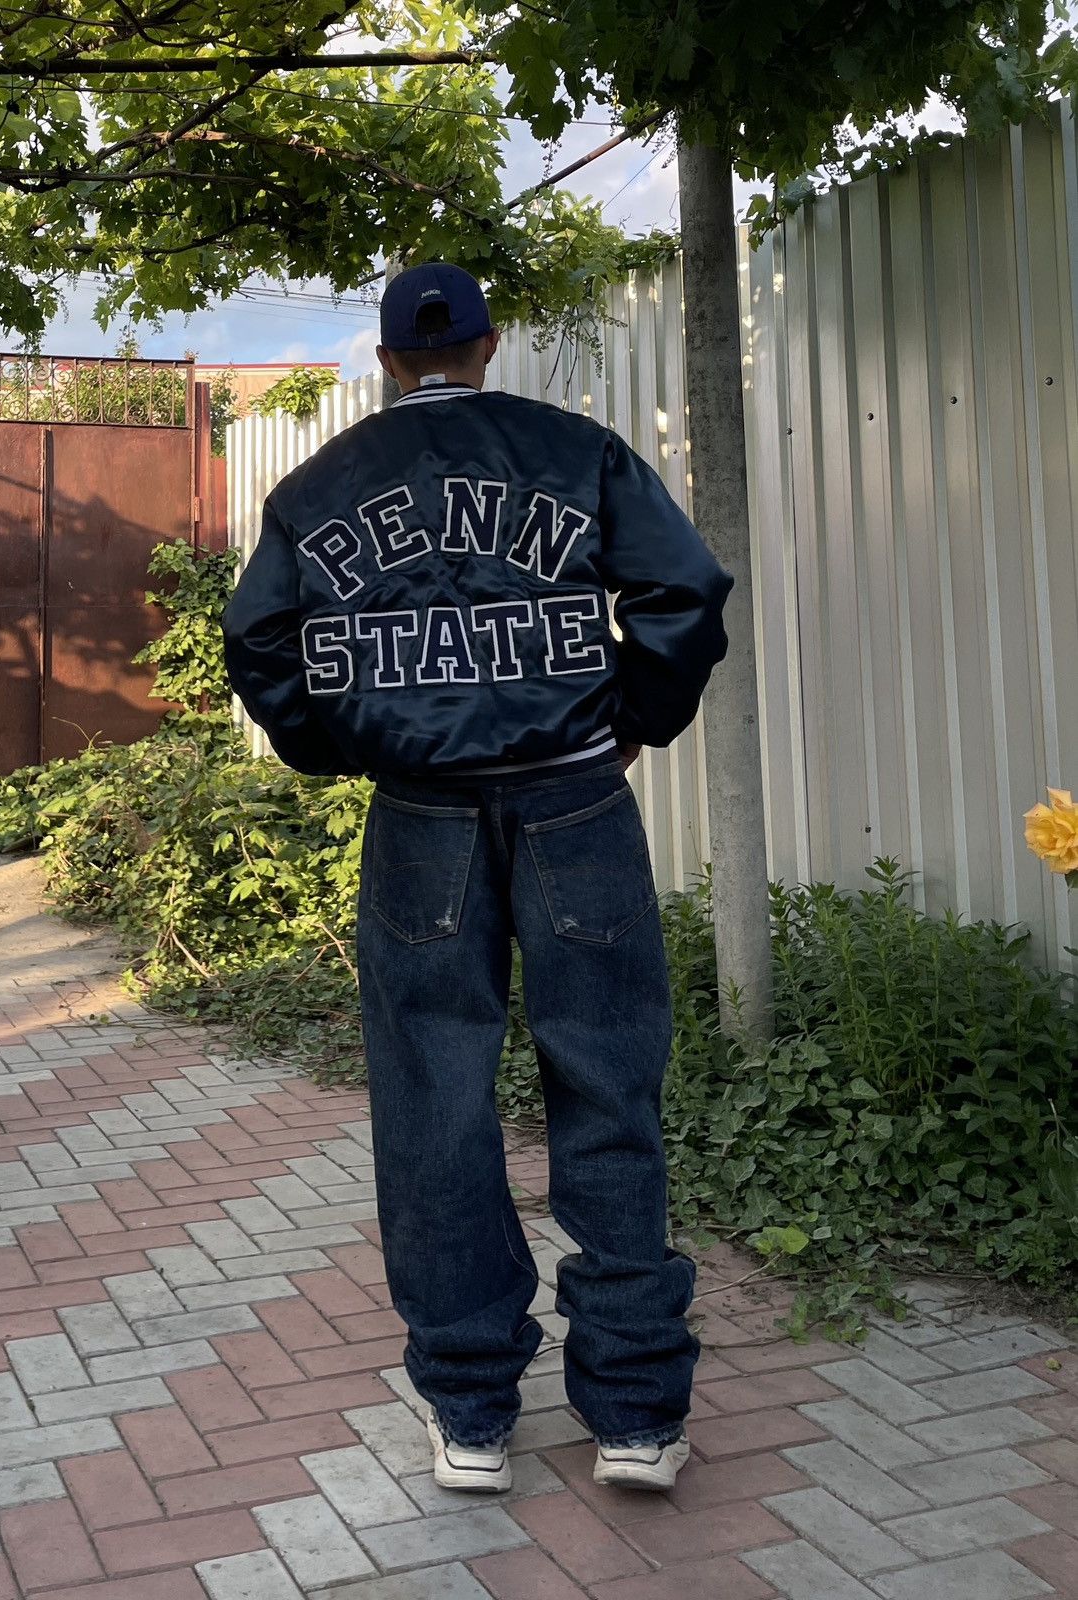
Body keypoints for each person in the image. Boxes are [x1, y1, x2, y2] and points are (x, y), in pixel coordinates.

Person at [222, 262, 733, 1494]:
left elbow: (258, 642)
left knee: (433, 1103)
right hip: (575, 803)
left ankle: (470, 1412)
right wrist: (634, 722)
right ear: (489, 345)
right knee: (609, 1087)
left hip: (421, 820)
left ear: (391, 357)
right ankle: (633, 1417)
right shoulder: (575, 449)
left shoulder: (318, 486)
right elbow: (684, 593)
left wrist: (339, 744)